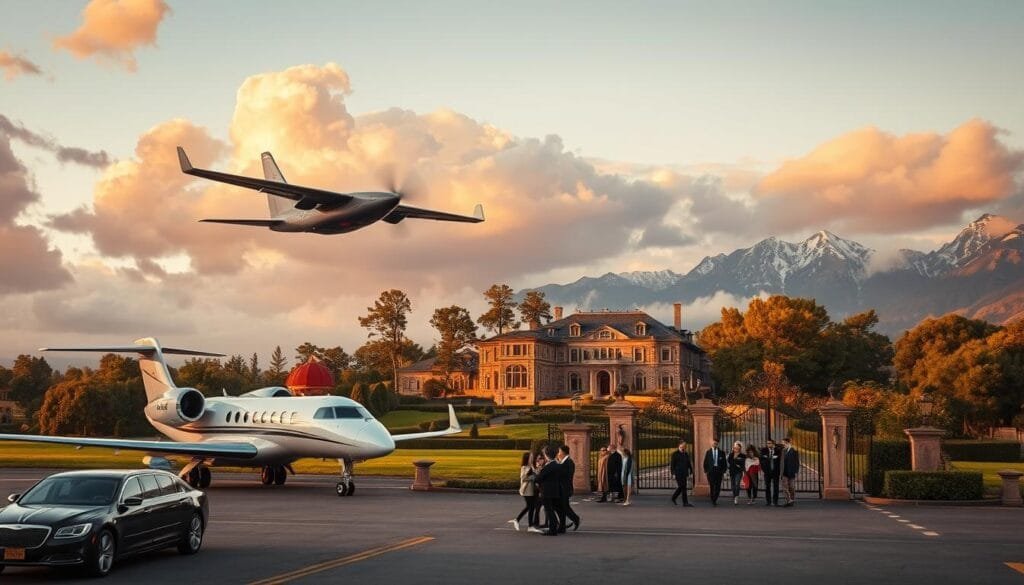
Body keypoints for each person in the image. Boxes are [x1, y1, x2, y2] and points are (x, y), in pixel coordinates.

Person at [532, 446, 563, 535]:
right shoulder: (557, 465)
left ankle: (552, 529)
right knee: (552, 509)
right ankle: (555, 527)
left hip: (547, 491)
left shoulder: (549, 466)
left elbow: (538, 478)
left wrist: (538, 473)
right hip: (554, 490)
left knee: (549, 510)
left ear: (546, 455)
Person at [509, 452, 537, 531]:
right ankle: (529, 525)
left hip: (531, 490)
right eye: (531, 457)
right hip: (527, 490)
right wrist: (533, 477)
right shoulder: (524, 467)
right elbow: (523, 478)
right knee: (530, 507)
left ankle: (518, 520)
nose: (532, 458)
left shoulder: (531, 466)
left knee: (530, 507)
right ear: (527, 459)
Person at [556, 445, 581, 532]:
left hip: (565, 488)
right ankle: (562, 526)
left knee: (564, 507)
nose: (558, 454)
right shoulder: (564, 462)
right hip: (563, 488)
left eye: (559, 452)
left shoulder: (568, 462)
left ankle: (575, 519)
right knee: (562, 507)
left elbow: (565, 476)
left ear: (563, 452)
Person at [703, 437, 728, 506]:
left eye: (716, 443)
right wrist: (706, 471)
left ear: (718, 444)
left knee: (717, 487)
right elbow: (705, 462)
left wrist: (723, 471)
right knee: (712, 486)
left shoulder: (721, 453)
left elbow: (724, 463)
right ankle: (713, 499)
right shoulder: (708, 452)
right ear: (712, 443)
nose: (715, 444)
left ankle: (715, 499)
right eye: (714, 443)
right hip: (711, 472)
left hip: (718, 471)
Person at [670, 441, 694, 507]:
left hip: (684, 473)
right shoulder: (675, 454)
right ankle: (678, 499)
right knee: (682, 486)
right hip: (678, 473)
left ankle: (683, 501)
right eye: (683, 445)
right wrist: (673, 473)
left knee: (683, 487)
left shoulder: (685, 453)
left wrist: (691, 471)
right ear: (679, 445)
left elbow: (688, 463)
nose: (684, 447)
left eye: (685, 446)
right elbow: (672, 465)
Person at [760, 438, 782, 506]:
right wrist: (764, 469)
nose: (768, 444)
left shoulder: (778, 450)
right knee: (767, 487)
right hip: (767, 471)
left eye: (769, 443)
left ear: (773, 444)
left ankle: (775, 501)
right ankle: (768, 501)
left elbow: (781, 460)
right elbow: (761, 460)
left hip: (775, 471)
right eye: (767, 443)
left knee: (776, 487)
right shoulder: (764, 450)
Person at [781, 437, 800, 507]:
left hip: (791, 472)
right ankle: (788, 500)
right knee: (784, 487)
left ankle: (792, 499)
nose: (782, 444)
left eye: (783, 443)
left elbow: (797, 462)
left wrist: (796, 470)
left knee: (791, 487)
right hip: (784, 472)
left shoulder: (794, 451)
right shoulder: (783, 451)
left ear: (787, 443)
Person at [726, 441, 745, 505]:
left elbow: (743, 463)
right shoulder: (731, 455)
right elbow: (729, 461)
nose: (736, 449)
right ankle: (734, 496)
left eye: (737, 448)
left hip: (738, 471)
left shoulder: (742, 455)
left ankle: (736, 497)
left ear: (740, 448)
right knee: (733, 485)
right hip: (732, 471)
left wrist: (739, 465)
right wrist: (735, 462)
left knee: (737, 484)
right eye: (735, 448)